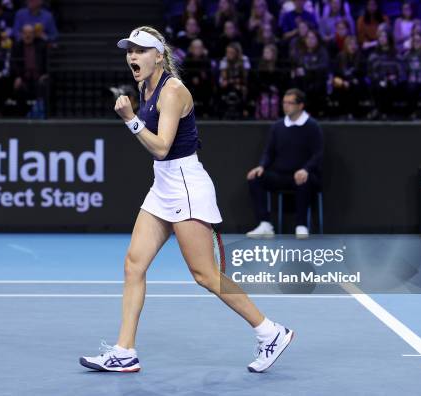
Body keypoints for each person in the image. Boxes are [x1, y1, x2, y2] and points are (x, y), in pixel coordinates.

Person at [79, 26, 294, 373]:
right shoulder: (143, 85)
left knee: (206, 275)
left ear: (158, 55)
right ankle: (125, 350)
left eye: (140, 50)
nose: (132, 56)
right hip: (162, 185)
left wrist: (131, 120)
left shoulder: (173, 90)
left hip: (185, 185)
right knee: (134, 264)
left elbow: (163, 147)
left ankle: (269, 331)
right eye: (129, 50)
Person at [246, 88, 323, 238]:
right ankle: (265, 224)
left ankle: (301, 225)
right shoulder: (278, 126)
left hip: (305, 175)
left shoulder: (312, 126)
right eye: (284, 102)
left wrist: (306, 169)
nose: (285, 106)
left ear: (300, 106)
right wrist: (261, 166)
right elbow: (269, 152)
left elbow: (318, 154)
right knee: (255, 178)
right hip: (281, 175)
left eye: (290, 103)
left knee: (303, 180)